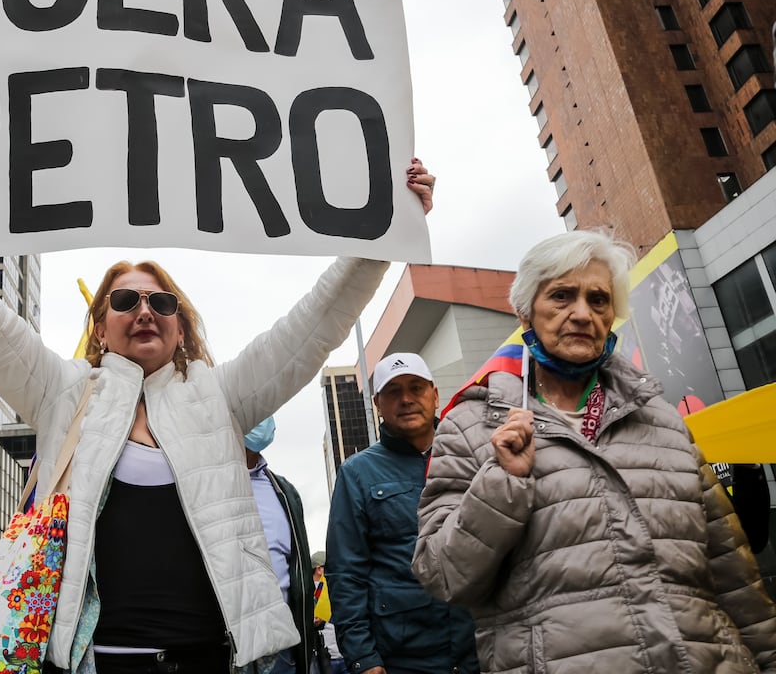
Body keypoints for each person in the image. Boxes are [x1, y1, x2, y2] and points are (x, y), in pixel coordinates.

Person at [0, 124, 435, 673]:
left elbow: (317, 324)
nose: (143, 311)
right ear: (100, 326)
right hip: (92, 661)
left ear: (180, 328)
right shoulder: (62, 391)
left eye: (161, 304)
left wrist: (384, 233)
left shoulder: (221, 395)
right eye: (125, 301)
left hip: (211, 658)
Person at [413, 230, 776, 673]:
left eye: (598, 300)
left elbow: (733, 575)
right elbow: (441, 575)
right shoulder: (470, 425)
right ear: (526, 313)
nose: (582, 314)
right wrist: (501, 484)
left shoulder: (660, 418)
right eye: (562, 296)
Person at [325, 353, 476, 674]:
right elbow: (345, 573)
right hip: (404, 657)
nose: (406, 399)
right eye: (393, 391)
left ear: (435, 395)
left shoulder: (470, 455)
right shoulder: (357, 473)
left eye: (416, 388)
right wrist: (363, 657)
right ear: (378, 403)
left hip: (482, 646)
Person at [245, 418, 316, 674]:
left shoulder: (284, 492)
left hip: (283, 650)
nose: (260, 418)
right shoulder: (198, 483)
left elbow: (299, 575)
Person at [309, 552, 345, 674]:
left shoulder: (337, 589)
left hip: (344, 656)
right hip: (324, 658)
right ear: (319, 569)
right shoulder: (307, 593)